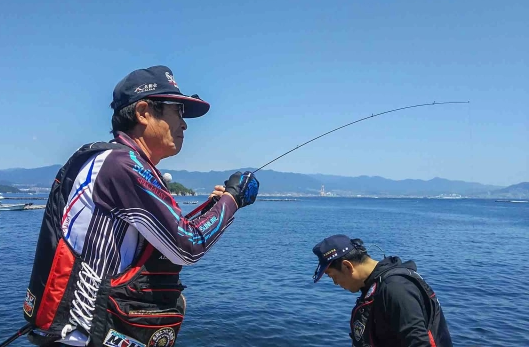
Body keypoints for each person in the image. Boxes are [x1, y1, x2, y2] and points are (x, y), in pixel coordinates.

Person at [22, 65, 259, 347]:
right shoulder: (121, 166)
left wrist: (214, 206)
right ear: (144, 112)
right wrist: (233, 200)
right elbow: (187, 246)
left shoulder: (114, 162)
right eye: (178, 112)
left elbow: (166, 237)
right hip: (82, 339)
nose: (184, 124)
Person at [312, 234, 452, 347]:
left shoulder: (396, 288)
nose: (336, 283)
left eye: (333, 276)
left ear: (347, 266)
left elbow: (417, 342)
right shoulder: (373, 287)